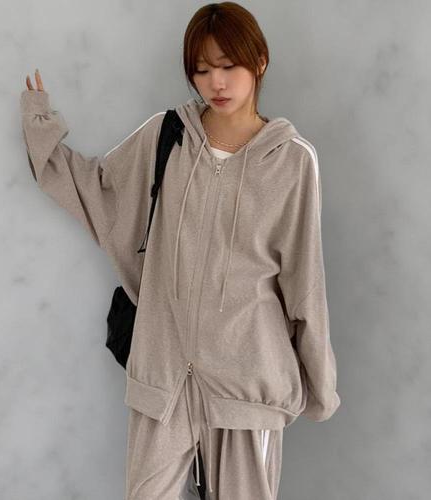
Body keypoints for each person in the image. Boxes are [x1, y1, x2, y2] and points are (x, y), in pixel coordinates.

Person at [20, 2, 341, 498]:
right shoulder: (166, 137)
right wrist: (40, 124)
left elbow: (305, 282)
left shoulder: (292, 161)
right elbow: (98, 189)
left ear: (259, 62)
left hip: (247, 386)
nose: (216, 82)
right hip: (164, 380)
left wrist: (318, 385)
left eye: (228, 66)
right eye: (202, 69)